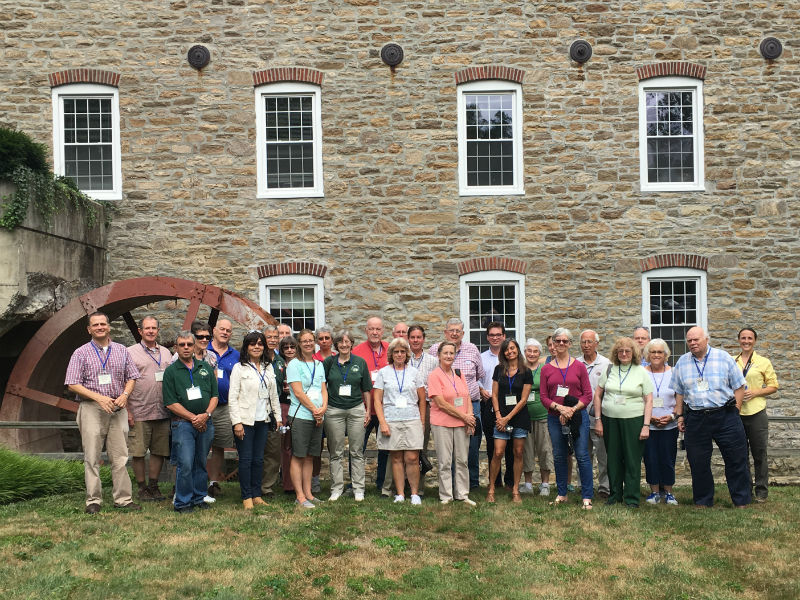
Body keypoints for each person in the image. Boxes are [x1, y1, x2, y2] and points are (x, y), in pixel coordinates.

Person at [65, 311, 141, 514]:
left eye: (103, 324)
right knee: (92, 456)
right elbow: (72, 383)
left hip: (117, 408)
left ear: (109, 327)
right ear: (89, 329)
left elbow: (132, 376)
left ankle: (123, 499)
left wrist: (125, 395)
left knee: (120, 456)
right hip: (92, 408)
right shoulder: (80, 353)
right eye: (95, 325)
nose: (99, 327)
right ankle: (93, 501)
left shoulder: (122, 351)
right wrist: (98, 398)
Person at [673, 327, 750, 508]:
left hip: (725, 415)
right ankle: (703, 500)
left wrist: (736, 410)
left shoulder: (724, 358)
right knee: (698, 461)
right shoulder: (682, 362)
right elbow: (679, 392)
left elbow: (739, 386)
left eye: (696, 340)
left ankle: (741, 500)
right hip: (696, 418)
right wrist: (680, 416)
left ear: (706, 339)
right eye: (689, 340)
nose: (692, 343)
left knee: (736, 459)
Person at [162, 330, 218, 513]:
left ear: (195, 347)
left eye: (189, 344)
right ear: (176, 348)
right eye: (182, 345)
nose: (186, 348)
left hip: (205, 423)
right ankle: (183, 502)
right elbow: (170, 403)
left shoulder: (205, 368)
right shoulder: (171, 372)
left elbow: (215, 396)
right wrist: (193, 418)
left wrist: (206, 415)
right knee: (185, 463)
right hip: (183, 424)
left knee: (201, 462)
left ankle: (199, 497)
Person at [593, 337, 653, 508]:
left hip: (633, 420)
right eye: (621, 351)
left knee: (632, 459)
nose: (624, 354)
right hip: (610, 420)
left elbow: (648, 400)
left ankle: (632, 498)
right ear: (616, 353)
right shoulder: (610, 370)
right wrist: (598, 420)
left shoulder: (641, 371)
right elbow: (597, 394)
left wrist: (646, 425)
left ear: (633, 353)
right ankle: (615, 495)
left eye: (628, 351)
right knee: (613, 458)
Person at [540, 327, 594, 509]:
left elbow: (587, 395)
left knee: (582, 455)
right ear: (553, 344)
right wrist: (561, 409)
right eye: (558, 341)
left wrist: (571, 410)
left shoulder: (579, 366)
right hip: (555, 418)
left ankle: (587, 496)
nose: (561, 344)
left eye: (565, 341)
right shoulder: (546, 369)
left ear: (570, 344)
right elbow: (544, 397)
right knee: (559, 455)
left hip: (578, 417)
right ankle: (562, 493)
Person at [428, 318, 485, 489]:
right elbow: (433, 381)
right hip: (445, 410)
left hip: (470, 406)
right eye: (451, 330)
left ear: (463, 333)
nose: (454, 333)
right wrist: (465, 416)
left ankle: (471, 485)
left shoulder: (472, 349)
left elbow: (478, 376)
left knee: (470, 450)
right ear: (445, 332)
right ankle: (449, 488)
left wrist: (469, 415)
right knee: (447, 456)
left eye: (458, 331)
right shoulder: (433, 350)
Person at [229, 331, 281, 509]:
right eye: (253, 344)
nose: (257, 346)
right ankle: (246, 497)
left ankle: (257, 494)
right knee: (246, 459)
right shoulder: (239, 368)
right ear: (246, 347)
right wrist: (236, 422)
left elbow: (273, 395)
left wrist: (278, 417)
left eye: (260, 343)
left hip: (263, 420)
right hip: (245, 421)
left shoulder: (269, 367)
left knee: (259, 459)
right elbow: (232, 397)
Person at [126, 315, 173, 502]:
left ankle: (154, 486)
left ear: (158, 331)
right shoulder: (130, 352)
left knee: (159, 451)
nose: (151, 331)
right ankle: (142, 488)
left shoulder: (166, 353)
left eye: (154, 328)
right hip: (139, 411)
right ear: (140, 331)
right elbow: (124, 382)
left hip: (162, 411)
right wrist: (128, 411)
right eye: (147, 328)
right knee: (138, 452)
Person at [374, 337, 425, 505]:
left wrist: (422, 422)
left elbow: (422, 399)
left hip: (412, 419)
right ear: (391, 354)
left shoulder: (414, 373)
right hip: (391, 419)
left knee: (412, 457)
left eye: (403, 351)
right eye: (396, 351)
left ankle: (415, 494)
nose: (399, 354)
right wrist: (382, 422)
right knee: (395, 458)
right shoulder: (383, 373)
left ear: (407, 354)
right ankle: (400, 494)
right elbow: (377, 400)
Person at [323, 329, 373, 502]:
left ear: (352, 343)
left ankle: (358, 488)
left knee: (357, 451)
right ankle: (336, 488)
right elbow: (323, 386)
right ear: (336, 345)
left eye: (347, 342)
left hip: (356, 409)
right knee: (335, 451)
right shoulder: (329, 362)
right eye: (340, 342)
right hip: (334, 410)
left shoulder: (360, 362)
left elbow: (366, 389)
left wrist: (368, 411)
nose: (344, 345)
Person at [427, 341, 476, 505]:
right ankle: (446, 495)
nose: (449, 356)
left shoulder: (458, 373)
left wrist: (470, 416)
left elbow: (467, 396)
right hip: (442, 423)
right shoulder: (434, 375)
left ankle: (462, 494)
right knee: (445, 461)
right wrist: (465, 417)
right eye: (445, 353)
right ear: (439, 355)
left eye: (451, 353)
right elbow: (440, 403)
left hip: (462, 424)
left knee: (462, 460)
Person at [734, 327, 778, 503]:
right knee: (741, 454)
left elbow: (773, 386)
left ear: (755, 341)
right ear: (739, 340)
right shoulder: (732, 361)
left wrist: (756, 392)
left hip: (756, 412)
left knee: (759, 453)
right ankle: (746, 489)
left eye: (750, 338)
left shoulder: (763, 362)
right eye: (743, 338)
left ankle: (761, 491)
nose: (746, 341)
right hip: (737, 413)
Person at [286, 328, 328, 508]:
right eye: (305, 341)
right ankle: (300, 496)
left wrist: (323, 409)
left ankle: (309, 493)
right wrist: (314, 410)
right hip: (301, 415)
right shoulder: (294, 364)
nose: (308, 343)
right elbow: (298, 392)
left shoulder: (319, 364)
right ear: (299, 344)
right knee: (299, 455)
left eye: (311, 340)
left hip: (317, 416)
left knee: (311, 456)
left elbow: (323, 389)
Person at [488, 339, 532, 504]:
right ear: (503, 353)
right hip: (501, 417)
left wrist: (508, 418)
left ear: (517, 350)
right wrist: (499, 416)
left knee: (518, 452)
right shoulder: (499, 369)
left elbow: (523, 399)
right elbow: (494, 394)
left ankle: (515, 489)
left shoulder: (525, 371)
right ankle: (491, 488)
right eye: (506, 350)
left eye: (512, 348)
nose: (510, 352)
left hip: (519, 416)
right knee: (498, 453)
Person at [352, 316, 391, 494]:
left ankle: (383, 484)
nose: (375, 332)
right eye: (371, 329)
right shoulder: (357, 352)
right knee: (358, 447)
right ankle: (356, 485)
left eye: (378, 329)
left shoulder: (391, 350)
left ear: (382, 331)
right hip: (364, 409)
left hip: (386, 410)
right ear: (366, 331)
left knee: (386, 449)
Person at [642, 339, 679, 505]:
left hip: (669, 425)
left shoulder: (674, 372)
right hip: (648, 425)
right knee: (650, 459)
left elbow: (680, 398)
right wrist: (649, 418)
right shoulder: (642, 372)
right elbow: (637, 399)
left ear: (666, 355)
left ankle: (669, 493)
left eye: (660, 352)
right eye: (653, 352)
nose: (656, 355)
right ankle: (654, 492)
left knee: (668, 459)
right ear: (647, 355)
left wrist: (672, 416)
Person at [478, 321, 515, 490]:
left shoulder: (510, 357)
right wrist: (481, 390)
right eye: (491, 335)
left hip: (509, 407)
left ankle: (510, 481)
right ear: (487, 337)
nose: (495, 338)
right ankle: (496, 481)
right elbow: (474, 378)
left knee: (510, 444)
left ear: (504, 336)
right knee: (493, 444)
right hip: (488, 405)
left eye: (498, 335)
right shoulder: (481, 357)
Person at [206, 318, 239, 498]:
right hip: (204, 407)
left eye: (228, 330)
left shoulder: (235, 354)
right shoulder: (204, 350)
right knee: (201, 444)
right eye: (222, 329)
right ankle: (195, 482)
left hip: (224, 407)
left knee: (219, 446)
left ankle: (213, 483)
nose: (225, 332)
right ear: (214, 330)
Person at [577, 329, 611, 499]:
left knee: (603, 455)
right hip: (580, 417)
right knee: (583, 454)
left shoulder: (606, 364)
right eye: (583, 342)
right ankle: (584, 485)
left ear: (597, 343)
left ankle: (604, 486)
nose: (586, 345)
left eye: (590, 342)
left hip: (600, 418)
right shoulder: (575, 363)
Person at [520, 339, 553, 497]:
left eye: (535, 351)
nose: (532, 354)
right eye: (529, 351)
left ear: (540, 354)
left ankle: (545, 484)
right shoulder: (520, 369)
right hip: (524, 416)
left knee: (544, 449)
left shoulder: (545, 369)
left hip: (543, 416)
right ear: (525, 352)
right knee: (526, 450)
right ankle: (527, 484)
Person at [408, 325, 438, 464]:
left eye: (418, 337)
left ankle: (418, 483)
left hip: (425, 405)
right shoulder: (403, 357)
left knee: (422, 443)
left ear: (423, 339)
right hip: (406, 405)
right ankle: (404, 483)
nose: (415, 340)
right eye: (412, 337)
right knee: (406, 445)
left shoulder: (433, 361)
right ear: (408, 339)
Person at [261, 324, 284, 497]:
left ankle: (267, 487)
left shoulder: (280, 361)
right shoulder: (255, 358)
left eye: (275, 337)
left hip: (274, 411)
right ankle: (253, 486)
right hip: (256, 411)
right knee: (255, 452)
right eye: (269, 337)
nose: (273, 340)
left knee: (273, 451)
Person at [275, 335, 298, 493]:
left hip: (300, 406)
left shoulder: (301, 364)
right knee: (285, 446)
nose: (289, 350)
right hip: (283, 405)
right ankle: (288, 484)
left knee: (300, 446)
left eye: (292, 347)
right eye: (286, 348)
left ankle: (301, 482)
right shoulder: (278, 364)